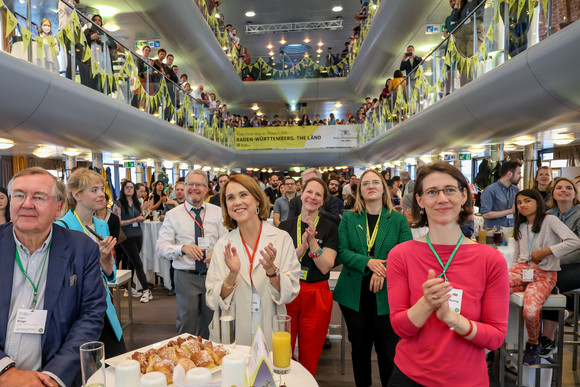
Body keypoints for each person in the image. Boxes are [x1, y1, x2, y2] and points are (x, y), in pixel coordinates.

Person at [386, 162, 509, 386]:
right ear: (420, 200)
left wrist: (452, 319)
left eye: (450, 190)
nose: (442, 199)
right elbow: (401, 328)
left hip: (468, 379)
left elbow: (495, 338)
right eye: (432, 192)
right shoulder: (401, 255)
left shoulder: (490, 260)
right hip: (410, 377)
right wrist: (426, 303)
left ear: (463, 196)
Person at [0, 167, 106, 387]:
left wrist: (55, 375)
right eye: (19, 195)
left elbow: (91, 314)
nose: (26, 204)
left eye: (38, 197)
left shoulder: (81, 248)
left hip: (55, 377)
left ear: (58, 207)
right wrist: (5, 371)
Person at [333, 169, 412, 386]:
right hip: (353, 295)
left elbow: (404, 254)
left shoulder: (397, 219)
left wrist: (383, 271)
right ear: (360, 190)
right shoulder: (349, 218)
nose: (371, 186)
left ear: (383, 188)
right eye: (366, 183)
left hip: (387, 295)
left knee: (388, 350)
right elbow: (342, 252)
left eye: (376, 182)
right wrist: (369, 262)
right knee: (359, 349)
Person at [206, 174, 301, 347]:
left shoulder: (281, 239)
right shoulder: (223, 245)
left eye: (243, 195)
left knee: (269, 372)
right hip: (233, 332)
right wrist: (232, 276)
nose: (237, 202)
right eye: (230, 198)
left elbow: (291, 291)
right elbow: (212, 299)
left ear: (257, 200)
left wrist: (273, 272)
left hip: (270, 328)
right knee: (234, 372)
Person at [55, 168, 126, 358]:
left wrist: (105, 258)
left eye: (102, 189)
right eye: (94, 190)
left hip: (103, 306)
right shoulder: (62, 229)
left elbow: (109, 274)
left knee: (117, 360)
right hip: (78, 311)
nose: (101, 194)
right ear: (76, 195)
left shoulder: (102, 224)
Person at [508, 189, 580, 365]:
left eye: (527, 201)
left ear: (538, 203)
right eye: (519, 203)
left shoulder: (550, 220)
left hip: (544, 274)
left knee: (531, 312)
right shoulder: (521, 225)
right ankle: (497, 338)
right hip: (523, 270)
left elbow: (574, 241)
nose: (522, 205)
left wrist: (546, 252)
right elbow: (518, 256)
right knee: (492, 287)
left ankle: (534, 342)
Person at [156, 171, 228, 338]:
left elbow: (226, 241)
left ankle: (208, 362)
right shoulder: (173, 215)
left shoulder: (217, 212)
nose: (194, 188)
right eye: (190, 184)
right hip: (186, 276)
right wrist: (182, 248)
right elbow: (160, 248)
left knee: (211, 326)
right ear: (185, 187)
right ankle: (185, 362)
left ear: (206, 189)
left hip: (213, 275)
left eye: (199, 185)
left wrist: (216, 253)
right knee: (186, 326)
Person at [278, 177, 338, 376]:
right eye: (309, 192)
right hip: (288, 291)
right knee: (282, 349)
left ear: (322, 200)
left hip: (316, 294)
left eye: (318, 194)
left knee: (310, 354)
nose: (312, 197)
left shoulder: (330, 227)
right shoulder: (285, 227)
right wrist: (301, 247)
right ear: (301, 193)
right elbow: (280, 263)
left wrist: (312, 242)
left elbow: (325, 267)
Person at [538, 177, 580, 357]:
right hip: (556, 263)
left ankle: (547, 339)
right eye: (559, 188)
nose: (564, 190)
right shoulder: (549, 214)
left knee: (551, 284)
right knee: (534, 280)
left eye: (569, 188)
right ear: (553, 193)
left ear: (575, 194)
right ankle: (555, 315)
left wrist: (559, 260)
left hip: (576, 263)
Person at [113, 181, 152, 302]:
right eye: (127, 187)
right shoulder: (118, 203)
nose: (129, 189)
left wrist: (144, 211)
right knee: (137, 262)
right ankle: (146, 290)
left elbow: (140, 216)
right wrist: (134, 219)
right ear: (123, 189)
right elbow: (118, 222)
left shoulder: (136, 202)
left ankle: (129, 288)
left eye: (131, 187)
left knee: (132, 262)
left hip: (138, 234)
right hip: (126, 237)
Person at [480, 161, 522, 229]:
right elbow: (486, 214)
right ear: (509, 174)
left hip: (512, 229)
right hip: (494, 232)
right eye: (519, 173)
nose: (521, 176)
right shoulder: (490, 190)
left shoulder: (515, 190)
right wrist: (510, 211)